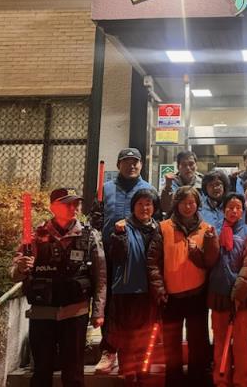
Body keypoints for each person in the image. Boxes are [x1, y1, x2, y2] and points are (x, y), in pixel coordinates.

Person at [11, 187, 106, 387]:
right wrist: (21, 268)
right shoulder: (36, 236)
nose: (73, 208)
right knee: (41, 371)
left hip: (75, 312)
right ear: (53, 207)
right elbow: (15, 274)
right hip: (42, 313)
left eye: (76, 203)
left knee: (73, 374)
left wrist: (98, 310)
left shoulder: (89, 235)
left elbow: (100, 276)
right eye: (67, 204)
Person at [147, 186, 220, 387]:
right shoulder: (163, 228)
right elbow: (153, 261)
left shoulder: (206, 229)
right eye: (183, 203)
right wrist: (159, 289)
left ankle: (198, 380)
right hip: (171, 296)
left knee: (199, 343)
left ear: (197, 204)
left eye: (191, 203)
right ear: (176, 204)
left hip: (197, 294)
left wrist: (208, 245)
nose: (188, 207)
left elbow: (210, 262)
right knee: (171, 346)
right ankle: (174, 381)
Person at [92, 147, 155, 374]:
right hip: (109, 255)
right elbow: (96, 220)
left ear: (141, 165)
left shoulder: (148, 189)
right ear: (119, 165)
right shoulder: (106, 188)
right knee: (109, 305)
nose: (132, 165)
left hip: (136, 258)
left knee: (135, 308)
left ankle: (135, 353)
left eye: (135, 161)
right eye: (127, 161)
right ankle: (109, 351)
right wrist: (95, 218)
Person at [207, 193, 247, 387]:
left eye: (238, 207)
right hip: (219, 295)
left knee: (241, 343)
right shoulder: (213, 231)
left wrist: (238, 294)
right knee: (220, 342)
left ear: (243, 210)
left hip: (241, 298)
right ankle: (221, 381)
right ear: (223, 210)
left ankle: (241, 382)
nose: (234, 211)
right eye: (230, 207)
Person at [107, 188, 160, 385]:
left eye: (148, 204)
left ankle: (143, 373)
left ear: (154, 207)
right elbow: (116, 256)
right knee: (127, 337)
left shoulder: (159, 229)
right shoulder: (122, 227)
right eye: (140, 204)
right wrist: (119, 235)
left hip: (150, 291)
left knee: (147, 336)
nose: (144, 208)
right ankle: (129, 376)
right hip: (127, 290)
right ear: (133, 206)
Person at [160, 150, 204, 215]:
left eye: (191, 164)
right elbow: (165, 208)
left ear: (196, 166)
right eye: (184, 165)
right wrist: (168, 186)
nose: (188, 168)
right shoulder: (170, 182)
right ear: (178, 167)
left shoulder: (203, 182)